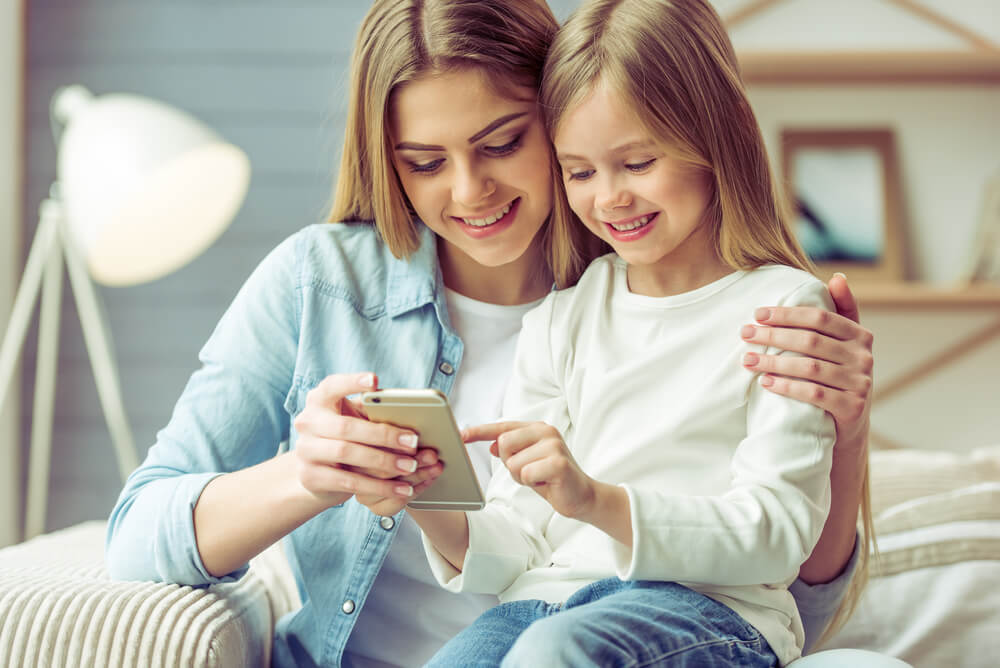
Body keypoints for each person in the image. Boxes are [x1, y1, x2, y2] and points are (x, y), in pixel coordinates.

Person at [104, 1, 873, 666]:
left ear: (562, 107)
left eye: (503, 142)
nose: (470, 192)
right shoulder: (326, 286)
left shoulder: (662, 275)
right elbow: (138, 537)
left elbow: (779, 604)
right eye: (424, 162)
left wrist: (848, 433)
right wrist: (315, 475)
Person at [404, 0, 874, 665]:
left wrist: (597, 501)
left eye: (637, 162)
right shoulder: (561, 322)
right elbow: (522, 544)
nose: (610, 198)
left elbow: (777, 532)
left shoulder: (784, 309)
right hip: (547, 602)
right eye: (580, 172)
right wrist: (426, 497)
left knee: (551, 652)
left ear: (711, 138)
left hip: (710, 612)